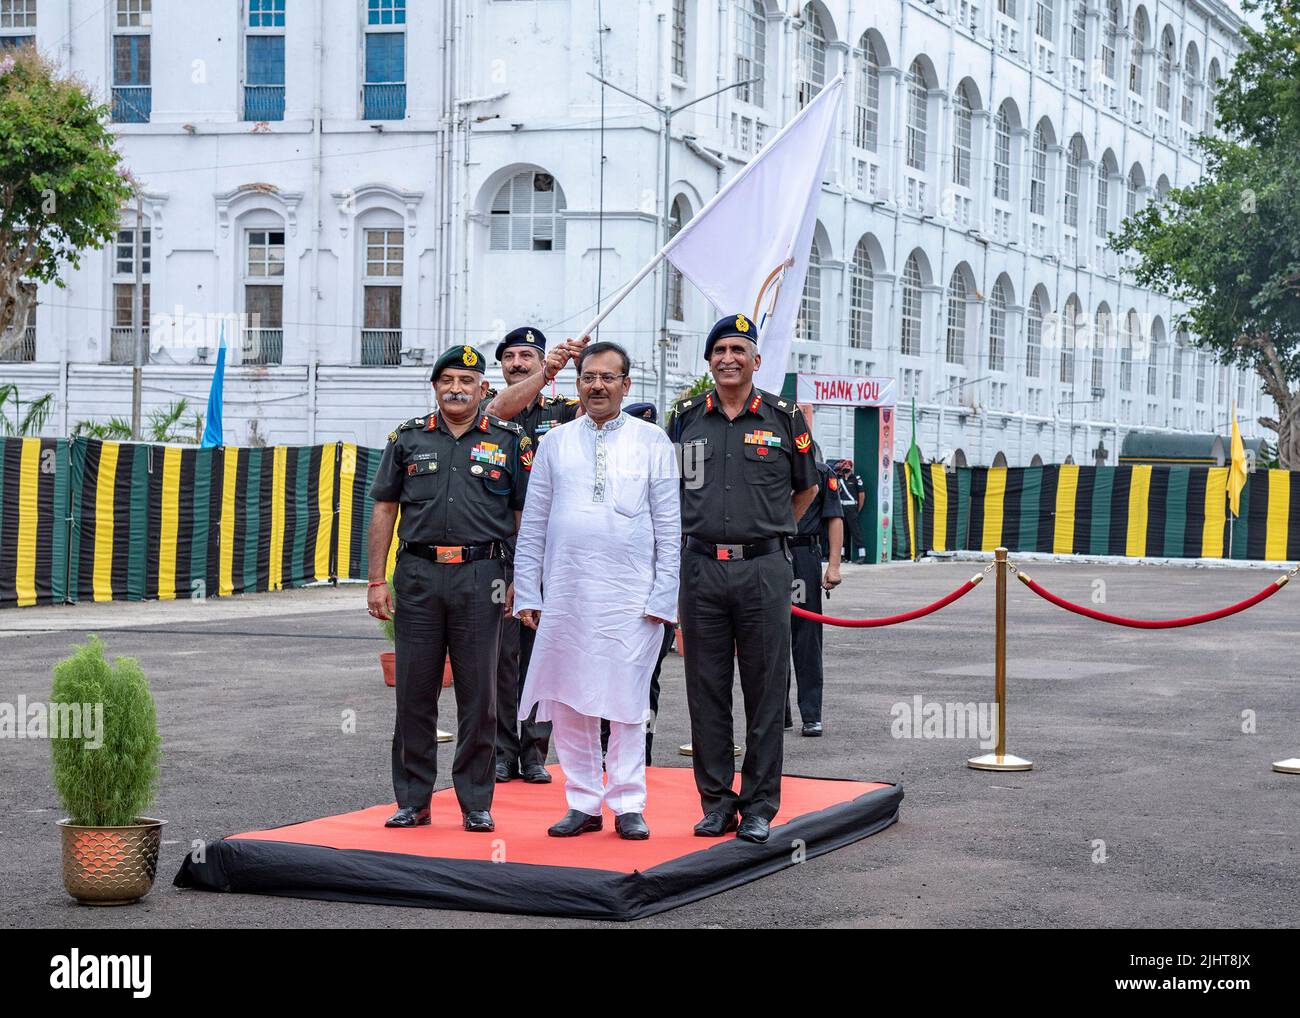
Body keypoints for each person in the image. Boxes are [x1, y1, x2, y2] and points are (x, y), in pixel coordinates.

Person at [514, 343, 680, 840]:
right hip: (566, 592)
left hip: (632, 598)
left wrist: (664, 597)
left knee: (626, 700)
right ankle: (583, 802)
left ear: (626, 386)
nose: (598, 386)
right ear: (579, 383)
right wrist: (528, 591)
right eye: (589, 377)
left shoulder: (652, 441)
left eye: (609, 378)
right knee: (570, 700)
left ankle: (629, 802)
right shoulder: (555, 442)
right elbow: (534, 523)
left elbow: (670, 528)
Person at [367, 344, 530, 833]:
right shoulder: (408, 438)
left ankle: (475, 801)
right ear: (435, 387)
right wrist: (377, 580)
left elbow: (525, 516)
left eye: (466, 381)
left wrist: (524, 577)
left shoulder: (509, 440)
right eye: (447, 381)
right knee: (414, 693)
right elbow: (384, 511)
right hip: (418, 576)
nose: (456, 389)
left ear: (485, 388)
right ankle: (413, 800)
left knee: (479, 695)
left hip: (485, 577)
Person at [670, 313, 818, 844]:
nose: (728, 358)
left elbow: (806, 489)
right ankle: (715, 803)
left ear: (757, 360)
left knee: (764, 688)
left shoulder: (784, 418)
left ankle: (759, 805)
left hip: (763, 569)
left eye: (739, 349)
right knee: (705, 689)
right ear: (708, 360)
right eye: (719, 350)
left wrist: (767, 531)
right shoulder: (685, 418)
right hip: (701, 567)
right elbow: (668, 492)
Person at [481, 327, 584, 784]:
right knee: (503, 658)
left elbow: (598, 402)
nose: (517, 362)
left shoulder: (563, 412)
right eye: (510, 357)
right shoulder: (493, 415)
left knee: (545, 652)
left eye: (527, 355)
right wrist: (544, 373)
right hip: (502, 549)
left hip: (554, 550)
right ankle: (503, 750)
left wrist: (580, 363)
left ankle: (536, 750)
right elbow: (497, 407)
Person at [603, 401, 676, 765]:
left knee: (646, 676)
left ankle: (639, 752)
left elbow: (676, 523)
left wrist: (669, 589)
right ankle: (605, 750)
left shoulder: (664, 459)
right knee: (602, 673)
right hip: (609, 587)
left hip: (650, 589)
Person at [788, 454, 843, 736]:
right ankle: (778, 713)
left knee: (807, 637)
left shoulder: (821, 472)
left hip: (803, 554)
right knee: (765, 637)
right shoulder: (765, 464)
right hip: (766, 554)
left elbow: (834, 517)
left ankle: (811, 714)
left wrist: (833, 566)